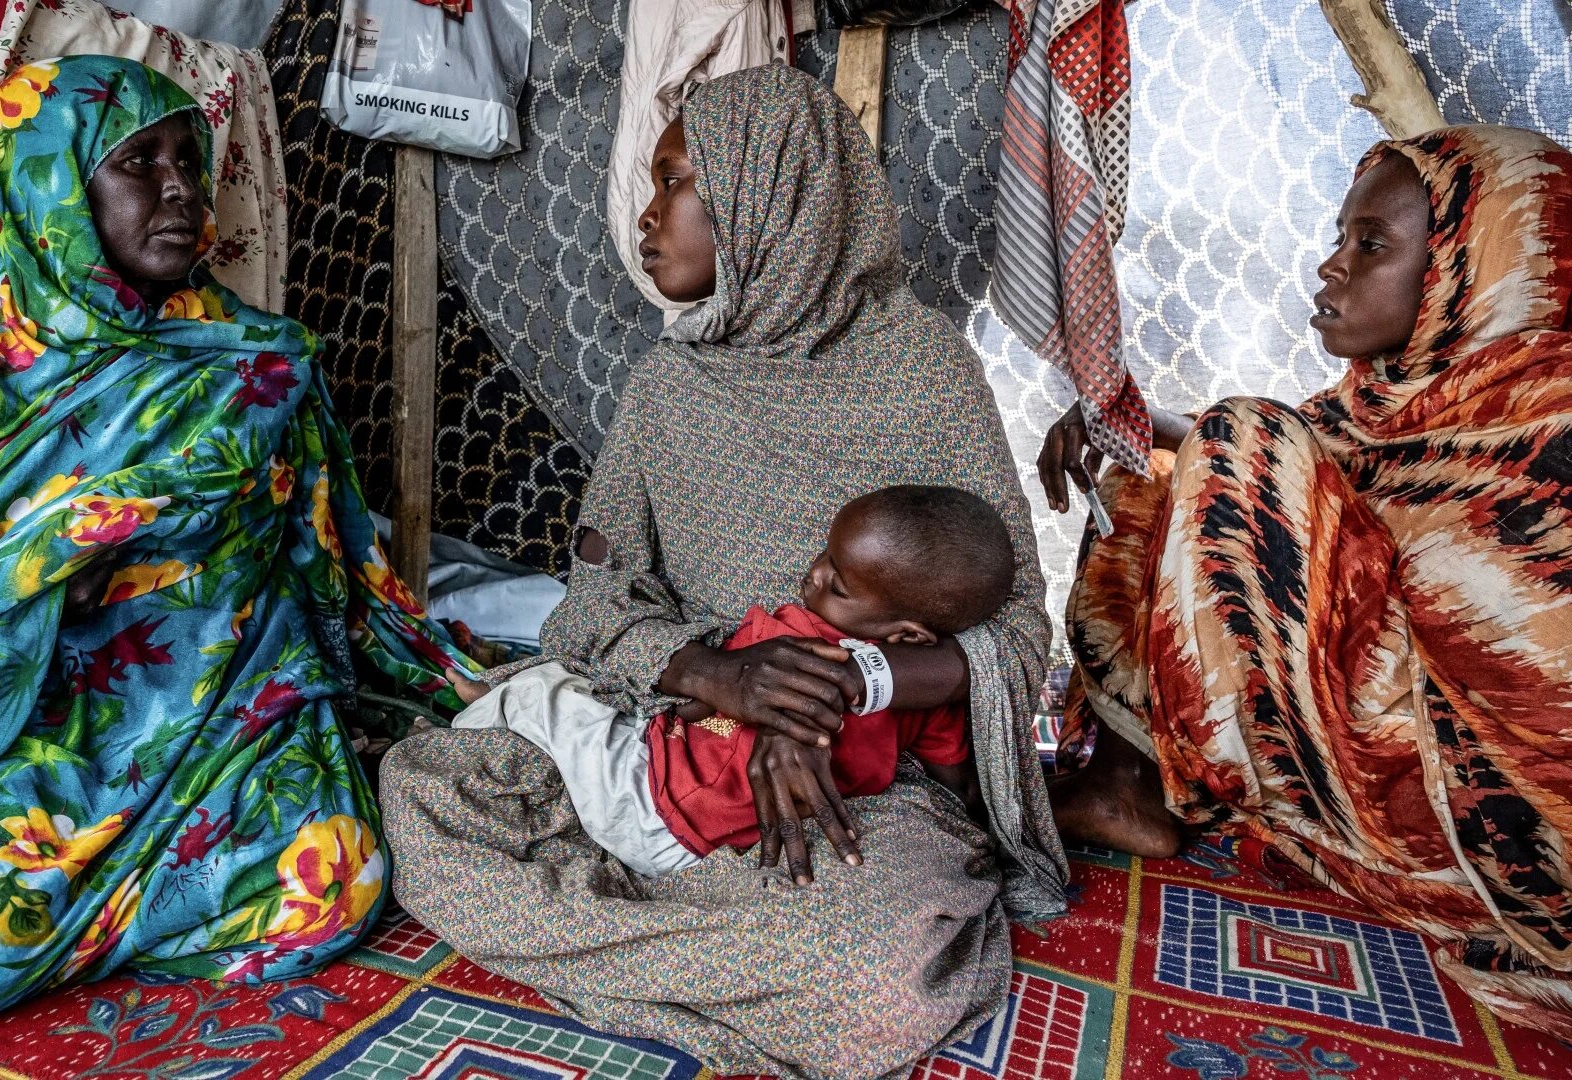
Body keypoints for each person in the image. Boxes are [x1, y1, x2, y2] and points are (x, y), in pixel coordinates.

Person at [0, 56, 471, 1031]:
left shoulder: (258, 365)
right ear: (52, 186)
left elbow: (338, 576)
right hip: (24, 740)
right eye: (137, 163)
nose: (178, 190)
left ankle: (119, 892)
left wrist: (438, 690)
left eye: (189, 162)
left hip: (219, 726)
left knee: (335, 886)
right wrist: (56, 550)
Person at [379, 64, 1067, 1078]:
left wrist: (829, 701)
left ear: (766, 196)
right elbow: (593, 609)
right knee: (421, 796)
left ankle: (644, 934)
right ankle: (716, 948)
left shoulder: (926, 372)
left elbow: (1010, 632)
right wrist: (725, 679)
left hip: (861, 781)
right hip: (670, 745)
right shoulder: (670, 387)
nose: (647, 218)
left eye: (675, 185)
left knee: (882, 968)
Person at [1040, 125, 1572, 1036]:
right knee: (1155, 473)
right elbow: (1319, 492)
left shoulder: (1546, 423)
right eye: (1338, 237)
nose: (1330, 267)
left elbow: (1530, 684)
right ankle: (1127, 787)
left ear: (1472, 270)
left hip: (1497, 833)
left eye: (1372, 246)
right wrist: (1139, 426)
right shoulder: (1398, 402)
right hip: (1383, 745)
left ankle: (1202, 781)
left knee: (1240, 444)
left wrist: (1226, 457)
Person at [446, 484, 1012, 876]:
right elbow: (955, 784)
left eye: (837, 583)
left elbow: (680, 687)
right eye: (824, 556)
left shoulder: (784, 634)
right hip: (718, 851)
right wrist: (984, 837)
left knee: (555, 692)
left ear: (911, 636)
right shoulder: (932, 703)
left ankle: (483, 705)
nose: (812, 574)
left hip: (647, 802)